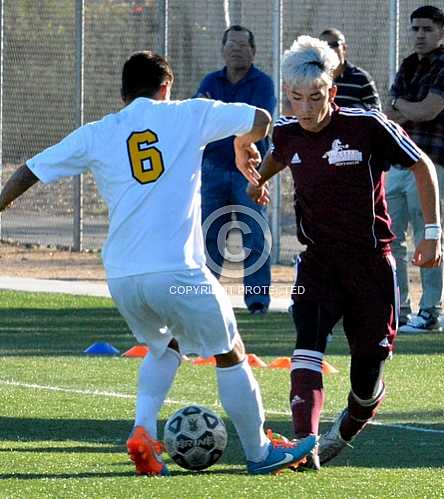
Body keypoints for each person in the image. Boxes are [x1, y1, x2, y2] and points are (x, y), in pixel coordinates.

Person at [0, 51, 315, 476]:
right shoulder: (187, 113)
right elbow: (261, 117)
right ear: (166, 87)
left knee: (165, 348)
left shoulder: (98, 132)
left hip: (124, 278)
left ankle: (143, 434)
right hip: (177, 273)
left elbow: (29, 171)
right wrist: (243, 146)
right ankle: (260, 454)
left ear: (123, 92)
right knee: (230, 352)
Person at [241, 36, 441, 470]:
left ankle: (352, 421)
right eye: (295, 98)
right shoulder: (289, 132)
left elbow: (421, 165)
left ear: (331, 91)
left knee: (366, 372)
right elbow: (278, 156)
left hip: (370, 264)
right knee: (306, 345)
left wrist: (433, 233)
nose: (305, 108)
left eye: (315, 97)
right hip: (317, 262)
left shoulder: (367, 125)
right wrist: (258, 182)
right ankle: (302, 443)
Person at [385, 6, 444, 332]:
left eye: (427, 29)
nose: (420, 34)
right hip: (397, 162)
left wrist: (403, 106)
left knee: (427, 235)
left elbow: (427, 111)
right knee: (390, 239)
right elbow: (388, 114)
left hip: (431, 163)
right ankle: (397, 309)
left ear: (441, 33)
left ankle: (430, 312)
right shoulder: (407, 65)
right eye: (415, 28)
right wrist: (406, 108)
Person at [195, 25, 276, 315]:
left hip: (250, 173)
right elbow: (200, 118)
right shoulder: (210, 81)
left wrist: (226, 126)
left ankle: (257, 301)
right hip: (212, 169)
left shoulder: (263, 84)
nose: (237, 49)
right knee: (208, 234)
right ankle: (205, 299)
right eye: (231, 44)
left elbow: (256, 124)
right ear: (222, 49)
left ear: (253, 51)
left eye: (243, 45)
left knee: (254, 235)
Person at [319, 28, 381, 110]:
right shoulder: (311, 77)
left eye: (334, 45)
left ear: (344, 48)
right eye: (324, 46)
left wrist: (350, 113)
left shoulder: (361, 78)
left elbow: (375, 111)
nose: (329, 50)